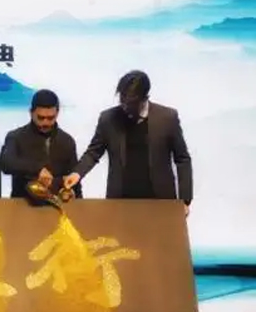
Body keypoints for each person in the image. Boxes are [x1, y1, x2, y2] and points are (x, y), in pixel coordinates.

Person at [64, 70, 193, 213]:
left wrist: (185, 200)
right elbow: (93, 152)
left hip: (160, 200)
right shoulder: (108, 119)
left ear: (144, 98)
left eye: (131, 103)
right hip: (120, 200)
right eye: (122, 100)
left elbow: (182, 159)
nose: (125, 106)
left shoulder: (167, 118)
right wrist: (77, 173)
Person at [0, 89, 82, 199]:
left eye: (50, 118)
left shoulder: (67, 141)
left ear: (57, 113)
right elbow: (6, 164)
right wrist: (37, 169)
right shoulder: (16, 137)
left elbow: (74, 181)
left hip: (58, 204)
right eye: (41, 118)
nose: (45, 123)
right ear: (31, 113)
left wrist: (79, 203)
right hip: (22, 203)